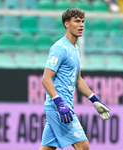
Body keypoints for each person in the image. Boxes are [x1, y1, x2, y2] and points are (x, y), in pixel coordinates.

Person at [39, 8, 110, 150]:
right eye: (77, 21)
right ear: (66, 24)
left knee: (47, 148)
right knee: (83, 146)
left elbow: (78, 79)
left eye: (83, 21)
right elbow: (46, 79)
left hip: (62, 107)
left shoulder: (76, 49)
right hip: (59, 108)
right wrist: (59, 104)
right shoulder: (59, 48)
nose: (81, 25)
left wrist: (94, 100)